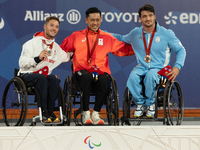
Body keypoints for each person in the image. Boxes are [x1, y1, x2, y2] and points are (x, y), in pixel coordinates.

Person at [60, 7, 134, 125]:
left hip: (100, 72)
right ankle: (85, 113)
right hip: (81, 72)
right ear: (86, 20)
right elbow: (61, 49)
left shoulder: (107, 37)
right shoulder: (76, 36)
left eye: (97, 20)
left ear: (101, 20)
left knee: (106, 79)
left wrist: (140, 49)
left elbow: (123, 49)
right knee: (86, 77)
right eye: (92, 20)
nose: (95, 23)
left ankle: (95, 113)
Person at [111, 4, 186, 118]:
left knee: (151, 75)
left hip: (161, 68)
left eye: (150, 15)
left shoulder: (167, 33)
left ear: (154, 16)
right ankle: (140, 104)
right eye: (144, 16)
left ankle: (151, 104)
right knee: (133, 76)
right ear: (140, 19)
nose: (148, 18)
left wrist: (177, 67)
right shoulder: (135, 33)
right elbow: (121, 38)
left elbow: (181, 50)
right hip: (142, 67)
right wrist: (103, 34)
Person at [18, 16, 72, 123]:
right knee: (42, 78)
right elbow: (22, 63)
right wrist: (37, 58)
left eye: (56, 27)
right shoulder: (31, 43)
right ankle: (44, 112)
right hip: (26, 74)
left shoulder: (55, 47)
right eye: (51, 25)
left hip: (43, 77)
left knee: (54, 79)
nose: (54, 28)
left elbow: (67, 57)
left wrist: (82, 53)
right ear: (45, 26)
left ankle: (50, 113)